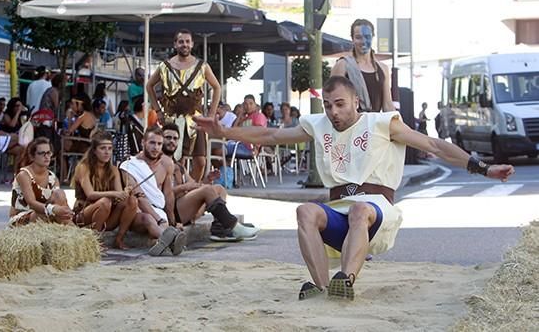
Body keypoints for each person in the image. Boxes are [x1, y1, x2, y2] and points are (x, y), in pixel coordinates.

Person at [194, 76, 515, 300]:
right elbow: (271, 137)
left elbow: (434, 144)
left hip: (376, 211)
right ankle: (323, 288)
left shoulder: (381, 123)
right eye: (329, 106)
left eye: (340, 104)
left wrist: (484, 169)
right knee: (305, 210)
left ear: (355, 102)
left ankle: (346, 279)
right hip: (339, 213)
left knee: (360, 210)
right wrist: (224, 130)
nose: (333, 112)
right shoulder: (317, 124)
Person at [161, 123, 259, 241]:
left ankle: (220, 229)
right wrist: (184, 187)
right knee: (207, 190)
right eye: (168, 138)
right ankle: (232, 225)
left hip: (185, 206)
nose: (172, 141)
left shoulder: (177, 164)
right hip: (173, 211)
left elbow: (194, 185)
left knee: (218, 188)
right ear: (161, 139)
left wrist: (207, 180)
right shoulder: (160, 163)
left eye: (175, 138)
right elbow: (160, 194)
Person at [146, 28, 222, 182]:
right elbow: (149, 86)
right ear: (175, 44)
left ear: (192, 44)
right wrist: (158, 111)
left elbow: (217, 87)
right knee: (175, 161)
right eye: (181, 41)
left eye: (187, 41)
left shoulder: (202, 66)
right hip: (172, 119)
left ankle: (191, 189)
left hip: (195, 120)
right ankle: (177, 192)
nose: (184, 44)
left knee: (200, 161)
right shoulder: (165, 66)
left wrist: (211, 115)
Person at [119, 125, 187, 256]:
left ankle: (162, 245)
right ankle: (172, 241)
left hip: (159, 211)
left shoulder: (167, 163)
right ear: (143, 142)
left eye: (159, 144)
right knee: (149, 219)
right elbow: (140, 197)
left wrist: (171, 221)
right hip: (139, 212)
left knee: (162, 224)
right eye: (152, 143)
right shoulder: (129, 165)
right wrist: (159, 219)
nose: (156, 147)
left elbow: (168, 194)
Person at [71, 130, 138, 249]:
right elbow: (90, 194)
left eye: (110, 148)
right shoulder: (84, 167)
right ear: (94, 151)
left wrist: (125, 193)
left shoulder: (113, 170)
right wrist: (114, 193)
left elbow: (119, 197)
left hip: (107, 216)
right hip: (84, 214)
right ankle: (94, 241)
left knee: (132, 201)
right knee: (105, 202)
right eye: (103, 148)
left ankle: (119, 238)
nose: (107, 152)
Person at [331, 19, 395, 112]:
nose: (363, 41)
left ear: (373, 37)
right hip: (351, 123)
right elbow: (333, 100)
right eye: (358, 37)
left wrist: (398, 122)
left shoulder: (383, 69)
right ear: (352, 39)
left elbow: (388, 105)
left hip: (374, 122)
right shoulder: (342, 66)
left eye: (367, 37)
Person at [9, 137, 72, 226]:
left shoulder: (52, 177)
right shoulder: (24, 175)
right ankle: (72, 229)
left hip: (45, 212)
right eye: (42, 153)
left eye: (48, 153)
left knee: (59, 194)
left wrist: (67, 211)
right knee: (47, 214)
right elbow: (32, 203)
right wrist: (53, 209)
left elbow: (60, 200)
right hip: (24, 216)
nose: (46, 156)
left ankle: (73, 229)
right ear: (32, 156)